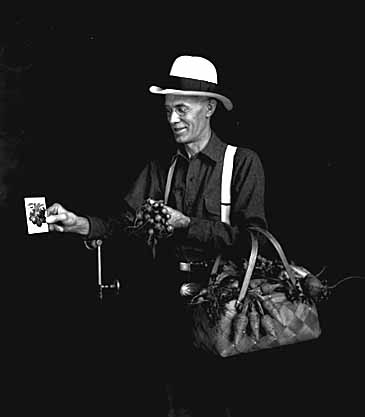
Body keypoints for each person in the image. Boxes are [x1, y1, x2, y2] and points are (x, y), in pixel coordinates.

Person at [46, 55, 267, 417]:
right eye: (167, 110)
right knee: (171, 400)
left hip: (224, 308)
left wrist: (186, 224)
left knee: (222, 401)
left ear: (209, 107)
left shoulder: (242, 163)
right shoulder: (159, 167)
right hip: (167, 305)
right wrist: (79, 224)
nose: (172, 119)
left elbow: (254, 239)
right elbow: (122, 222)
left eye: (181, 109)